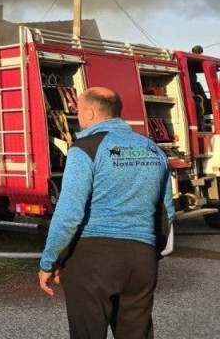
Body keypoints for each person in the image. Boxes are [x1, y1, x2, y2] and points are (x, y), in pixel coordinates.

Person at [39, 87, 174, 338]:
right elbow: (166, 209)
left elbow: (69, 212)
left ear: (89, 112)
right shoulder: (153, 149)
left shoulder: (84, 149)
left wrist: (50, 261)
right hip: (141, 259)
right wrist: (150, 252)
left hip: (92, 259)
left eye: (79, 111)